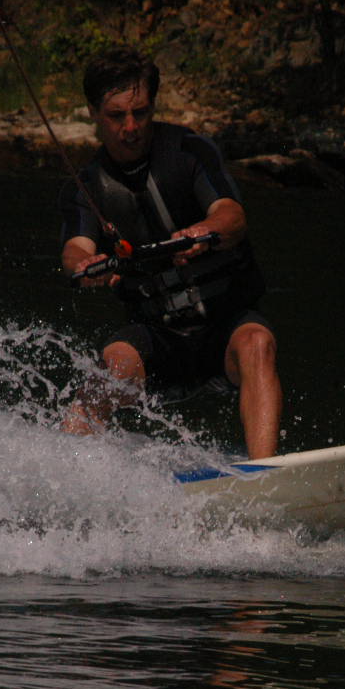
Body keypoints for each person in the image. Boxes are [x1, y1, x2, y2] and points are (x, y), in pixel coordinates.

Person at [59, 47, 282, 460]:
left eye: (141, 113)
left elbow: (231, 215)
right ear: (93, 112)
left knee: (257, 343)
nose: (131, 127)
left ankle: (264, 472)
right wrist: (84, 267)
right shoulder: (86, 185)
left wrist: (207, 231)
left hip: (223, 327)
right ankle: (63, 475)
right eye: (116, 116)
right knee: (111, 366)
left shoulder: (190, 151)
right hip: (157, 336)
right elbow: (75, 250)